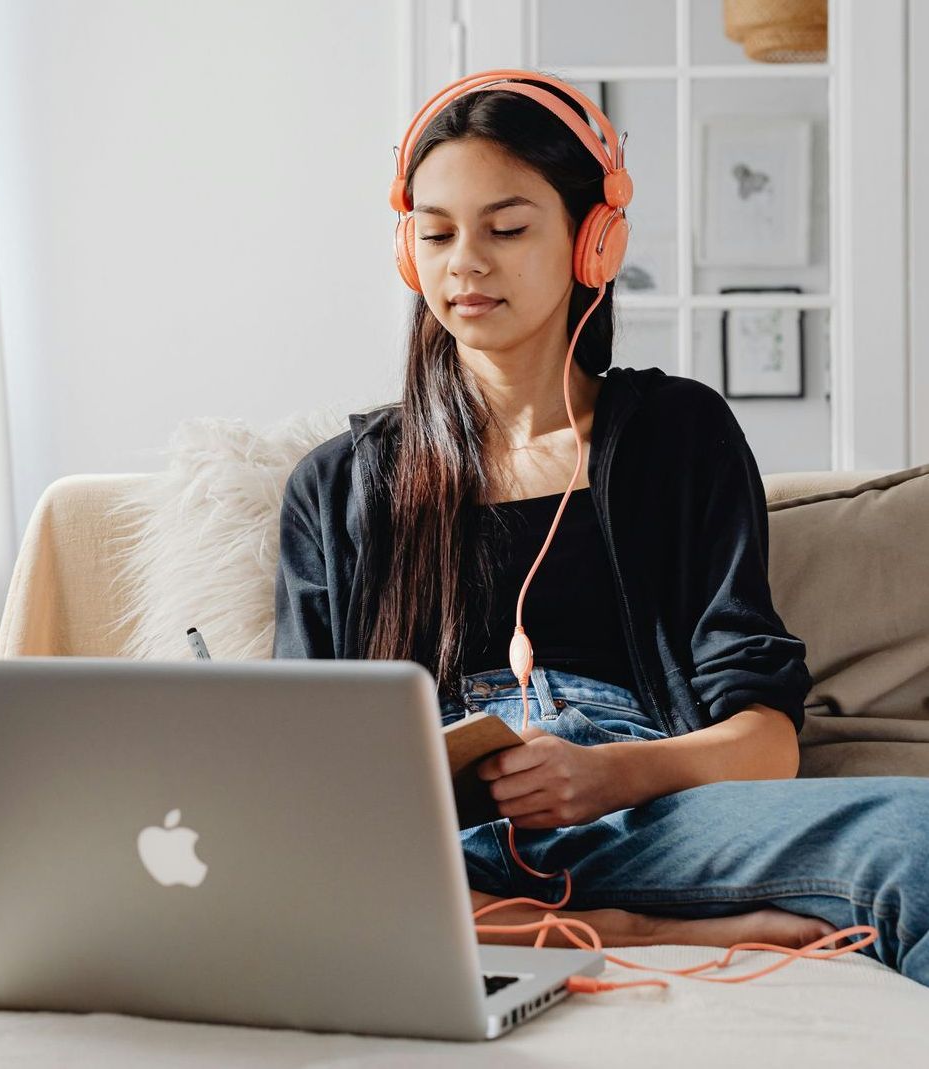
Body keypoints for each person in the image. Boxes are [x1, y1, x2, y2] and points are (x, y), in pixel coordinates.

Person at [272, 77, 929, 982]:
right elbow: (295, 774)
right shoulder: (338, 485)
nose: (464, 263)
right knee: (267, 868)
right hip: (426, 848)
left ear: (593, 242)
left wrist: (609, 773)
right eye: (435, 232)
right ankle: (628, 931)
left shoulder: (677, 434)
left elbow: (765, 740)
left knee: (915, 838)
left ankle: (560, 913)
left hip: (643, 816)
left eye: (505, 228)